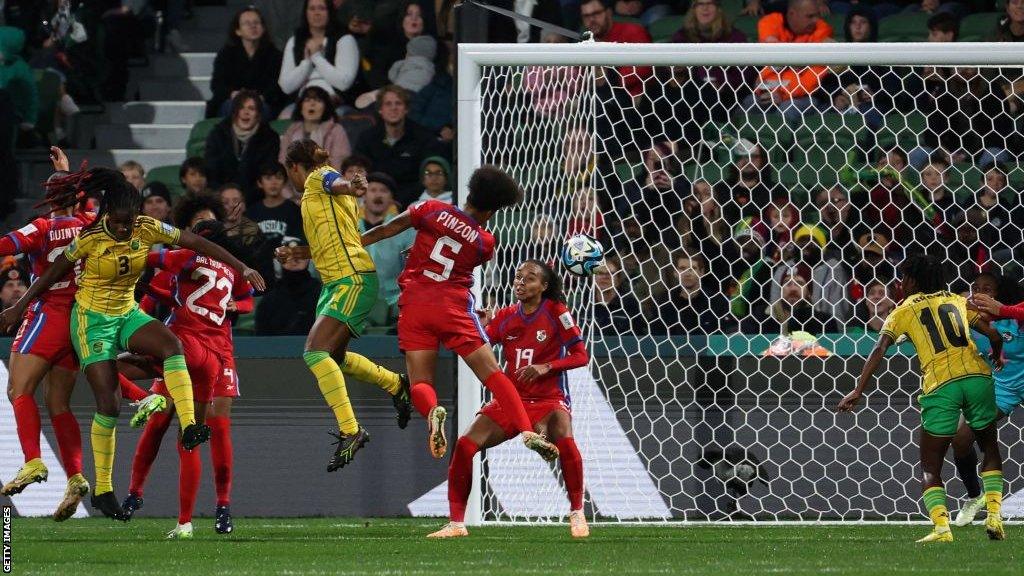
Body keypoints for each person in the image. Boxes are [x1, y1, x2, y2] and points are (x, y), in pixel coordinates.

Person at [0, 167, 266, 521]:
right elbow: (50, 274)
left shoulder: (147, 227)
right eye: (120, 223)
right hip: (92, 323)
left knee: (172, 345)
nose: (125, 229)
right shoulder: (90, 236)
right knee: (108, 404)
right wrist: (19, 305)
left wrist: (242, 266)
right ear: (106, 214)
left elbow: (198, 243)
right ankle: (105, 490)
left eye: (130, 222)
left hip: (127, 313)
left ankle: (189, 425)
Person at [360, 165, 561, 463]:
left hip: (415, 304)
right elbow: (457, 258)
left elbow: (387, 229)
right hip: (454, 308)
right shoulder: (485, 243)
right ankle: (527, 431)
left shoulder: (430, 209)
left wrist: (352, 246)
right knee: (493, 375)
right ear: (494, 210)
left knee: (420, 383)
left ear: (469, 192)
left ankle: (432, 412)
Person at [0, 149, 161, 521]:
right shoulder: (92, 222)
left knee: (18, 390)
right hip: (81, 317)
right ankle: (75, 476)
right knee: (58, 402)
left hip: (48, 314)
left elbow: (8, 245)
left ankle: (34, 462)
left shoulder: (41, 228)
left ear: (48, 199)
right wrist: (67, 174)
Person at [838, 254, 1006, 543]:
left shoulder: (903, 310)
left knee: (930, 464)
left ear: (913, 280)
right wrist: (995, 352)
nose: (901, 283)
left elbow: (879, 349)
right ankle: (994, 517)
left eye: (904, 278)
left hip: (941, 384)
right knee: (989, 446)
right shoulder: (957, 300)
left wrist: (858, 390)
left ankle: (942, 529)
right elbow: (992, 332)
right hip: (978, 377)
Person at [428, 260, 590, 539]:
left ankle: (577, 512)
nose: (521, 282)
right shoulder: (505, 316)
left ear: (544, 286)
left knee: (565, 437)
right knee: (465, 445)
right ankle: (456, 523)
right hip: (511, 399)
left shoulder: (556, 312)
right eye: (518, 277)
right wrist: (479, 324)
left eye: (530, 278)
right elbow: (477, 344)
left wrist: (546, 367)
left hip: (549, 399)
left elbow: (580, 355)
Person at [278, 139, 412, 471]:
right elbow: (337, 238)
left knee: (314, 352)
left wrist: (350, 185)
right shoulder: (321, 195)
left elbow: (335, 183)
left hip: (351, 279)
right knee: (333, 356)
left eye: (288, 172)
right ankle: (396, 384)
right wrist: (297, 254)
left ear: (295, 167)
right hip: (337, 280)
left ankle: (351, 430)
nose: (290, 180)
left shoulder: (318, 177)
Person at [121, 218, 254, 539]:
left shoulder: (180, 258)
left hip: (183, 347)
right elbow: (159, 300)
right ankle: (182, 520)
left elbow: (144, 269)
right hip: (213, 354)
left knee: (105, 366)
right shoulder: (230, 268)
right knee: (190, 436)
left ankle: (220, 505)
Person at [945, 272, 1024, 527]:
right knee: (960, 439)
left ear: (999, 294)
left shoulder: (1016, 318)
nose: (979, 293)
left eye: (987, 289)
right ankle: (974, 496)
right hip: (1001, 388)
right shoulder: (971, 321)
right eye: (975, 288)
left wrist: (1004, 310)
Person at [354, 85, 438, 207]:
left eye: (398, 103)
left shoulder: (423, 137)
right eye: (388, 104)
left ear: (406, 109)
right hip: (374, 201)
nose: (393, 108)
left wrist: (398, 202)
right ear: (380, 110)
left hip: (413, 202)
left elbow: (426, 176)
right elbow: (360, 172)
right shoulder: (367, 138)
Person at [751, 0, 833, 124]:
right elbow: (772, 58)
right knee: (750, 102)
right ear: (792, 14)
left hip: (807, 96)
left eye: (817, 15)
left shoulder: (822, 30)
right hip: (774, 89)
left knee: (788, 108)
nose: (816, 20)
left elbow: (814, 77)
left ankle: (776, 143)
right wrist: (773, 92)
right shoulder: (771, 22)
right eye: (810, 16)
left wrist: (783, 95)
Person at [207, 5, 285, 118]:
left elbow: (277, 86)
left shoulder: (274, 55)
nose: (253, 26)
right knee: (232, 107)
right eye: (247, 23)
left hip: (263, 102)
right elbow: (217, 84)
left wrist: (260, 97)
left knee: (261, 109)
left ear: (263, 28)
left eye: (256, 23)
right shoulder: (226, 54)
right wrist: (234, 94)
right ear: (238, 31)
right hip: (233, 101)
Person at [278, 0, 359, 108]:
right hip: (302, 102)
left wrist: (316, 57)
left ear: (330, 12)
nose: (317, 13)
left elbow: (344, 83)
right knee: (285, 119)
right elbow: (286, 86)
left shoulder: (345, 39)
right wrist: (306, 63)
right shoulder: (294, 41)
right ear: (305, 13)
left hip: (335, 101)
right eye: (312, 9)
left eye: (322, 8)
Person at [205, 91, 281, 204]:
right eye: (241, 108)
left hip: (255, 199)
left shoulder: (269, 138)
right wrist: (226, 198)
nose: (246, 112)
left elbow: (266, 174)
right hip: (221, 199)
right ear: (235, 112)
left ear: (258, 114)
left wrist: (244, 199)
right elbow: (211, 172)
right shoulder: (218, 134)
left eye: (251, 108)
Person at [360, 172, 414, 323]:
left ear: (391, 199)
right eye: (373, 190)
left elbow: (412, 271)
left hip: (394, 304)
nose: (378, 195)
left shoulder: (405, 230)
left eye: (384, 191)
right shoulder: (349, 227)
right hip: (355, 300)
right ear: (363, 196)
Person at [653, 252, 735, 335]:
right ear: (675, 272)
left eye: (693, 268)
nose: (687, 273)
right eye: (682, 268)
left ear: (702, 272)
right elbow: (656, 335)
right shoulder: (664, 302)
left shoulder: (717, 302)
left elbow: (725, 334)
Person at [258, 237, 322, 336]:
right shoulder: (269, 300)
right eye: (287, 254)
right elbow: (261, 340)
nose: (294, 258)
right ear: (277, 260)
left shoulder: (322, 294)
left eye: (300, 253)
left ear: (309, 259)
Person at [278, 86, 351, 171]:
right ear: (301, 107)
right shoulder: (291, 130)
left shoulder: (336, 130)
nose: (312, 104)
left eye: (318, 100)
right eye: (307, 100)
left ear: (325, 108)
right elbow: (283, 161)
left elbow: (340, 164)